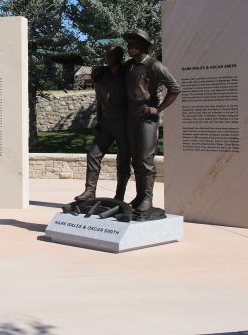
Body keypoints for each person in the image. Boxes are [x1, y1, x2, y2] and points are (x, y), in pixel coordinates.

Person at [123, 29, 181, 212]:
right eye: (128, 44)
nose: (128, 47)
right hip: (130, 115)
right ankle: (140, 196)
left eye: (132, 44)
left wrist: (158, 109)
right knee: (136, 159)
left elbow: (175, 88)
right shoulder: (129, 66)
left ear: (142, 46)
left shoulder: (155, 66)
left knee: (146, 159)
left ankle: (147, 198)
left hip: (146, 116)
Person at [75, 44, 131, 202]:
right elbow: (99, 100)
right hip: (107, 122)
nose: (106, 58)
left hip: (124, 123)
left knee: (124, 160)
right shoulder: (101, 74)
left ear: (119, 57)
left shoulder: (128, 72)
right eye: (106, 55)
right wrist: (98, 121)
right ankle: (89, 191)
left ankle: (120, 195)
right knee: (93, 154)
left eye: (110, 56)